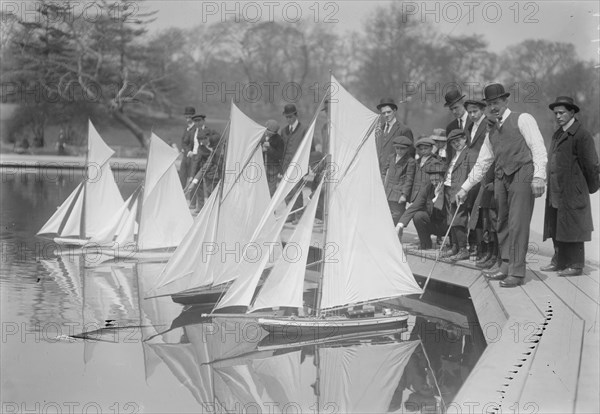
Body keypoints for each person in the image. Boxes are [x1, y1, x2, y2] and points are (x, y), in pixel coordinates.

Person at [457, 83, 547, 287]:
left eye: (496, 103)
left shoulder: (523, 119)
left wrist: (539, 176)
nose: (493, 107)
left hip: (523, 173)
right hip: (501, 177)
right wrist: (464, 188)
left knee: (517, 223)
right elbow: (482, 163)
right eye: (489, 104)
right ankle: (506, 264)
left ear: (505, 101)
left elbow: (538, 147)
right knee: (502, 222)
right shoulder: (491, 131)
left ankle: (517, 271)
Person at [541, 96, 600, 276]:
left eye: (562, 113)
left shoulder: (582, 135)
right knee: (557, 224)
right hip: (556, 189)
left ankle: (576, 265)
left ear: (572, 112)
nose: (558, 116)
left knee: (574, 227)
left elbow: (592, 166)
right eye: (556, 113)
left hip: (573, 191)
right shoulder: (558, 133)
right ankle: (559, 261)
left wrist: (586, 188)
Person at [440, 129, 478, 261]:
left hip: (460, 191)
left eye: (458, 141)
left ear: (464, 139)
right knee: (450, 219)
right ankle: (454, 246)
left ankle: (463, 249)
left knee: (458, 219)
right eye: (453, 142)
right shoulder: (454, 155)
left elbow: (474, 176)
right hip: (448, 188)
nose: (456, 144)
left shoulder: (470, 154)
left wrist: (466, 191)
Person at [397, 157, 447, 250]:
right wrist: (400, 225)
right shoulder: (428, 187)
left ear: (443, 178)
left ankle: (454, 245)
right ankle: (426, 243)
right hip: (434, 223)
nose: (434, 183)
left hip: (447, 225)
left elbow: (444, 212)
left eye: (437, 180)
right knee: (418, 215)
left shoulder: (448, 188)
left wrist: (437, 198)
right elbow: (415, 206)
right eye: (432, 180)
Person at [464, 98, 488, 257]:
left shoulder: (488, 125)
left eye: (475, 111)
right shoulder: (469, 126)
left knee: (480, 211)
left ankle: (483, 249)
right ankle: (473, 245)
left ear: (482, 111)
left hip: (483, 173)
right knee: (470, 208)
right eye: (470, 112)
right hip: (470, 173)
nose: (472, 115)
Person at [280, 103, 310, 223]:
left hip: (298, 165)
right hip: (286, 165)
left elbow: (309, 148)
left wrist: (306, 165)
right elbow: (283, 148)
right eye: (287, 117)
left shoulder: (304, 129)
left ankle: (299, 215)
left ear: (296, 115)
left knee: (297, 190)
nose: (289, 119)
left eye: (291, 117)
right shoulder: (284, 131)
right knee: (287, 191)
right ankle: (290, 214)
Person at [375, 97, 414, 180]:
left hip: (395, 176)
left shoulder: (404, 130)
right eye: (383, 113)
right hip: (377, 173)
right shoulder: (378, 130)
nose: (386, 115)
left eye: (389, 112)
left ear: (395, 111)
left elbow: (410, 155)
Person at [188, 113, 220, 213]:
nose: (202, 143)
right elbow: (203, 164)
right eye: (200, 141)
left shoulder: (215, 138)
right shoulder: (201, 147)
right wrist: (193, 179)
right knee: (209, 190)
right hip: (206, 166)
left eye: (203, 140)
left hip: (220, 168)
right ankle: (207, 209)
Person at [383, 136, 416, 226]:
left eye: (402, 149)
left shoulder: (410, 161)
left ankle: (397, 235)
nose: (399, 151)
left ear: (407, 149)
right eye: (397, 148)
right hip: (386, 190)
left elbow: (409, 179)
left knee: (397, 214)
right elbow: (384, 171)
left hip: (398, 193)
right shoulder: (391, 157)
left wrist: (404, 195)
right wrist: (381, 185)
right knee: (385, 213)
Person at [444, 89, 472, 160]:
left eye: (456, 107)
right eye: (451, 109)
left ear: (463, 103)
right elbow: (450, 153)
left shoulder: (474, 121)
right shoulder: (450, 127)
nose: (454, 111)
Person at [261, 119, 284, 196]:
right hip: (261, 168)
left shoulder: (279, 140)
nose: (269, 134)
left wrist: (269, 149)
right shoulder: (261, 136)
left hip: (273, 169)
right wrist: (261, 150)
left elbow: (279, 155)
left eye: (272, 133)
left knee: (271, 191)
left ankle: (270, 207)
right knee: (261, 190)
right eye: (267, 131)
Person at [179, 106, 197, 186]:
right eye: (186, 116)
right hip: (186, 156)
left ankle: (192, 198)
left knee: (191, 177)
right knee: (182, 176)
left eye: (189, 116)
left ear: (193, 116)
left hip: (192, 157)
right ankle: (180, 195)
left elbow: (193, 142)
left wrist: (190, 151)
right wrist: (186, 150)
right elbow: (183, 141)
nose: (187, 117)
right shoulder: (186, 128)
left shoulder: (196, 128)